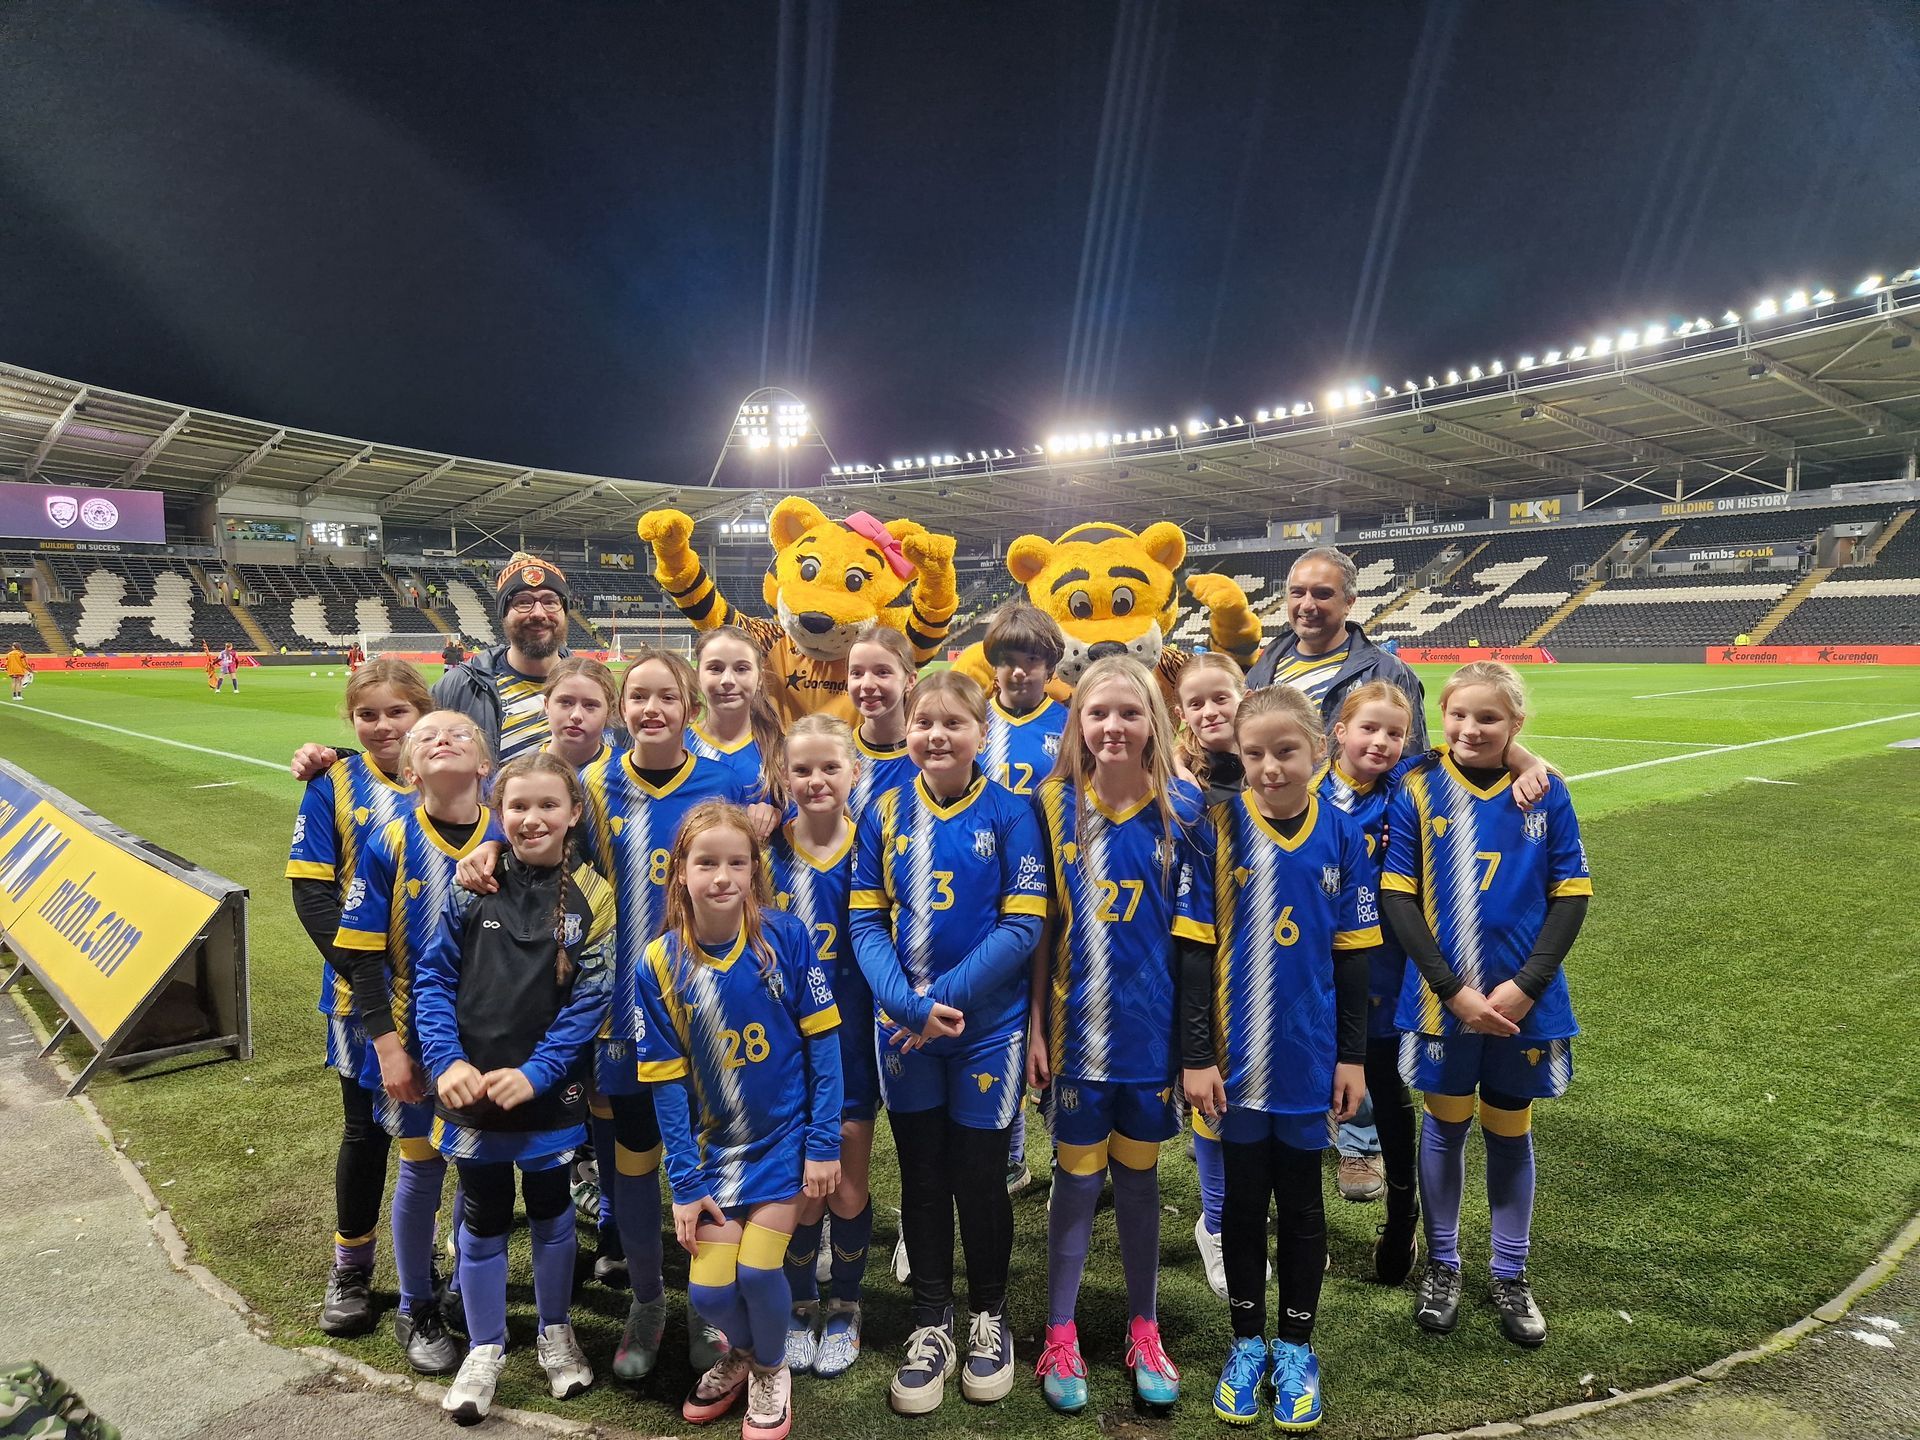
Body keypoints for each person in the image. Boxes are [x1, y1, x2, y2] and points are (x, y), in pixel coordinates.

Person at [850, 672, 1049, 1415]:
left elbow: (1023, 925)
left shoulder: (1011, 811)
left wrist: (939, 1002)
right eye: (924, 722)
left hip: (985, 1032)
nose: (937, 735)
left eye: (953, 722)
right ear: (908, 731)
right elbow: (866, 921)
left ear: (980, 733)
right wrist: (907, 1006)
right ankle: (931, 1321)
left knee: (980, 1176)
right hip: (903, 1032)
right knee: (923, 1175)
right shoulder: (883, 808)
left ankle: (990, 1316)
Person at [1181, 685, 1379, 1432]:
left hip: (1306, 1057)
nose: (1269, 767)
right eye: (1254, 753)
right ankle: (1245, 1343)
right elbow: (1192, 956)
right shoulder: (1214, 830)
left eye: (1286, 751)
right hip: (1231, 1061)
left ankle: (1296, 1346)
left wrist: (1352, 1058)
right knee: (1239, 1204)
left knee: (1300, 1203)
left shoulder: (1343, 834)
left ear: (1319, 750)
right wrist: (1196, 1055)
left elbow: (1353, 961)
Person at [1381, 662, 1591, 1347]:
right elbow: (1398, 896)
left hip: (1524, 1004)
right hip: (1442, 1002)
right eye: (1459, 715)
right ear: (1441, 717)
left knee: (1509, 1130)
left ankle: (1510, 1272)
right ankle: (1443, 1265)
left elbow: (1570, 894)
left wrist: (1528, 983)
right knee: (1444, 1127)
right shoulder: (1415, 785)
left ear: (1516, 724)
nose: (1470, 728)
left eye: (1489, 718)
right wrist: (1452, 990)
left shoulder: (1545, 791)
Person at [1028, 657, 1209, 1414]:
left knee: (1138, 1181)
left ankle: (1145, 1327)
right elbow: (1040, 927)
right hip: (1076, 1039)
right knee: (1074, 1184)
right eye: (1097, 713)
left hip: (1150, 1044)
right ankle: (1059, 1332)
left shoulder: (1186, 809)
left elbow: (1196, 943)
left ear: (1153, 724)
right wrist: (1035, 1027)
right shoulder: (1050, 804)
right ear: (1077, 724)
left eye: (1129, 713)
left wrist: (1195, 1051)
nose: (1112, 726)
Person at [416, 751, 615, 1422]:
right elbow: (434, 979)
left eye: (547, 805)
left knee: (553, 1206)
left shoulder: (594, 896)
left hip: (549, 1093)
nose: (532, 818)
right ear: (498, 813)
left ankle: (556, 1331)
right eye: (517, 806)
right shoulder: (471, 883)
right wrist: (447, 1061)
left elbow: (590, 1000)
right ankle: (486, 1346)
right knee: (483, 1211)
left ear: (573, 813)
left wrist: (537, 1073)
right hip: (471, 1089)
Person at [637, 802, 844, 1440]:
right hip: (715, 1153)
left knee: (757, 1272)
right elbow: (667, 1086)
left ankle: (771, 1373)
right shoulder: (658, 963)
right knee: (708, 1295)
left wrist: (822, 1143)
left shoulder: (786, 938)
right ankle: (749, 1356)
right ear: (680, 872)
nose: (722, 876)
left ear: (755, 869)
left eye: (737, 862)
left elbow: (824, 1047)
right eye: (707, 863)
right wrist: (685, 1183)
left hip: (784, 1142)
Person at [1243, 546, 1426, 1203]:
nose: (1307, 604)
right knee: (1297, 991)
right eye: (1297, 591)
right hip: (1285, 860)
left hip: (1362, 874)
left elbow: (1415, 765)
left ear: (1350, 602)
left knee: (1362, 1009)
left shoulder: (1384, 671)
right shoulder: (1265, 664)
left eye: (1322, 593)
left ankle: (1360, 1142)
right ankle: (1304, 1109)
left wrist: (1523, 760)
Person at [332, 706, 496, 1374]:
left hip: (490, 1038)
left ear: (484, 764)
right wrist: (387, 1046)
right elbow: (363, 954)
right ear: (408, 770)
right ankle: (415, 1304)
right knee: (422, 1164)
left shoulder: (506, 834)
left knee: (477, 1166)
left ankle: (459, 1283)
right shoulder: (389, 840)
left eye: (459, 733)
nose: (442, 739)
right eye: (426, 736)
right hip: (413, 1036)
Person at [284, 660, 432, 1342]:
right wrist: (366, 974)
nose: (382, 726)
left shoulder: (451, 776)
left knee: (437, 1138)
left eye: (397, 712)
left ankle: (426, 1262)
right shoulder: (333, 785)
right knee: (364, 1132)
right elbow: (313, 893)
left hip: (444, 999)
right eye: (367, 715)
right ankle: (351, 1269)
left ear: (422, 713)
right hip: (358, 997)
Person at [772, 717, 874, 1379]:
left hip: (852, 1043)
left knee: (846, 1188)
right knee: (802, 1193)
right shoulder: (764, 849)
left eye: (829, 768)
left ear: (853, 773)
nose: (815, 781)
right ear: (783, 777)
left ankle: (847, 1304)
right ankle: (801, 1301)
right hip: (782, 1051)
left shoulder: (874, 846)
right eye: (802, 770)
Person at [982, 602, 1069, 1195]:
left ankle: (1066, 1146)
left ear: (1050, 665)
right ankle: (1010, 1157)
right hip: (984, 893)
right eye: (1008, 660)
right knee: (998, 1018)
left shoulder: (1069, 725)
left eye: (1031, 660)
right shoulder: (972, 720)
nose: (1018, 671)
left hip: (1058, 892)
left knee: (1053, 1014)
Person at [1171, 651, 1248, 1296]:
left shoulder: (1277, 766)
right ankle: (1217, 1224)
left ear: (1244, 694)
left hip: (1275, 954)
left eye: (1220, 697)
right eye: (1195, 703)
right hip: (1204, 953)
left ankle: (1252, 1215)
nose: (1210, 711)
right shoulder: (1182, 783)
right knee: (1214, 1098)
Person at [431, 552, 576, 763]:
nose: (538, 613)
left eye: (550, 602)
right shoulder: (457, 687)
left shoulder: (594, 687)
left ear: (564, 611)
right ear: (503, 613)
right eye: (523, 602)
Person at [687, 625, 788, 835]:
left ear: (759, 679)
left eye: (741, 669)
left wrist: (779, 816)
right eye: (715, 668)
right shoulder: (677, 746)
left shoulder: (780, 749)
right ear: (697, 677)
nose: (727, 680)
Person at [844, 623, 920, 822]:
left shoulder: (930, 755)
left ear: (910, 680)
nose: (867, 684)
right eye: (857, 673)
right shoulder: (837, 755)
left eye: (882, 672)